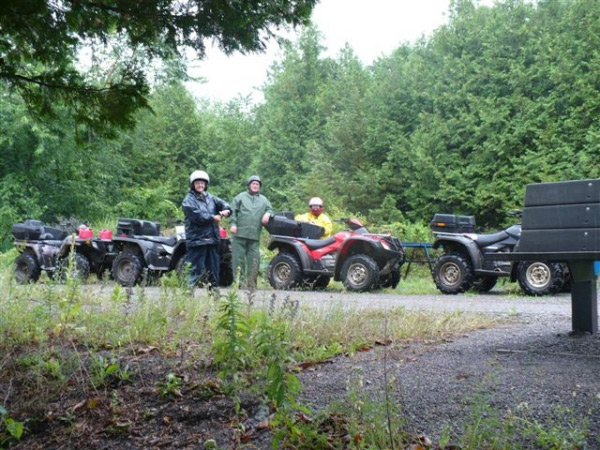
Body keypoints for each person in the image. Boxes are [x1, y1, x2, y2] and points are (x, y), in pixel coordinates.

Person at [182, 170, 232, 288]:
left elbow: (224, 204)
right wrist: (212, 217)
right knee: (194, 269)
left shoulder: (210, 197)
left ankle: (214, 293)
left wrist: (226, 210)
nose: (200, 185)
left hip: (212, 239)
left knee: (214, 269)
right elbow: (197, 215)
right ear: (193, 184)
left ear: (206, 185)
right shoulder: (188, 200)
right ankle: (188, 293)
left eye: (203, 183)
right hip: (197, 240)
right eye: (198, 183)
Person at [229, 175, 273, 289]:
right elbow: (232, 211)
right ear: (249, 185)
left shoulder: (264, 200)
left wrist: (268, 214)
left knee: (254, 260)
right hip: (239, 234)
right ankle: (239, 283)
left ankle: (251, 284)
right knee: (238, 260)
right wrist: (233, 224)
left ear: (259, 187)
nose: (255, 186)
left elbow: (270, 209)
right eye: (253, 184)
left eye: (257, 184)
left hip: (254, 236)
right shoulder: (240, 197)